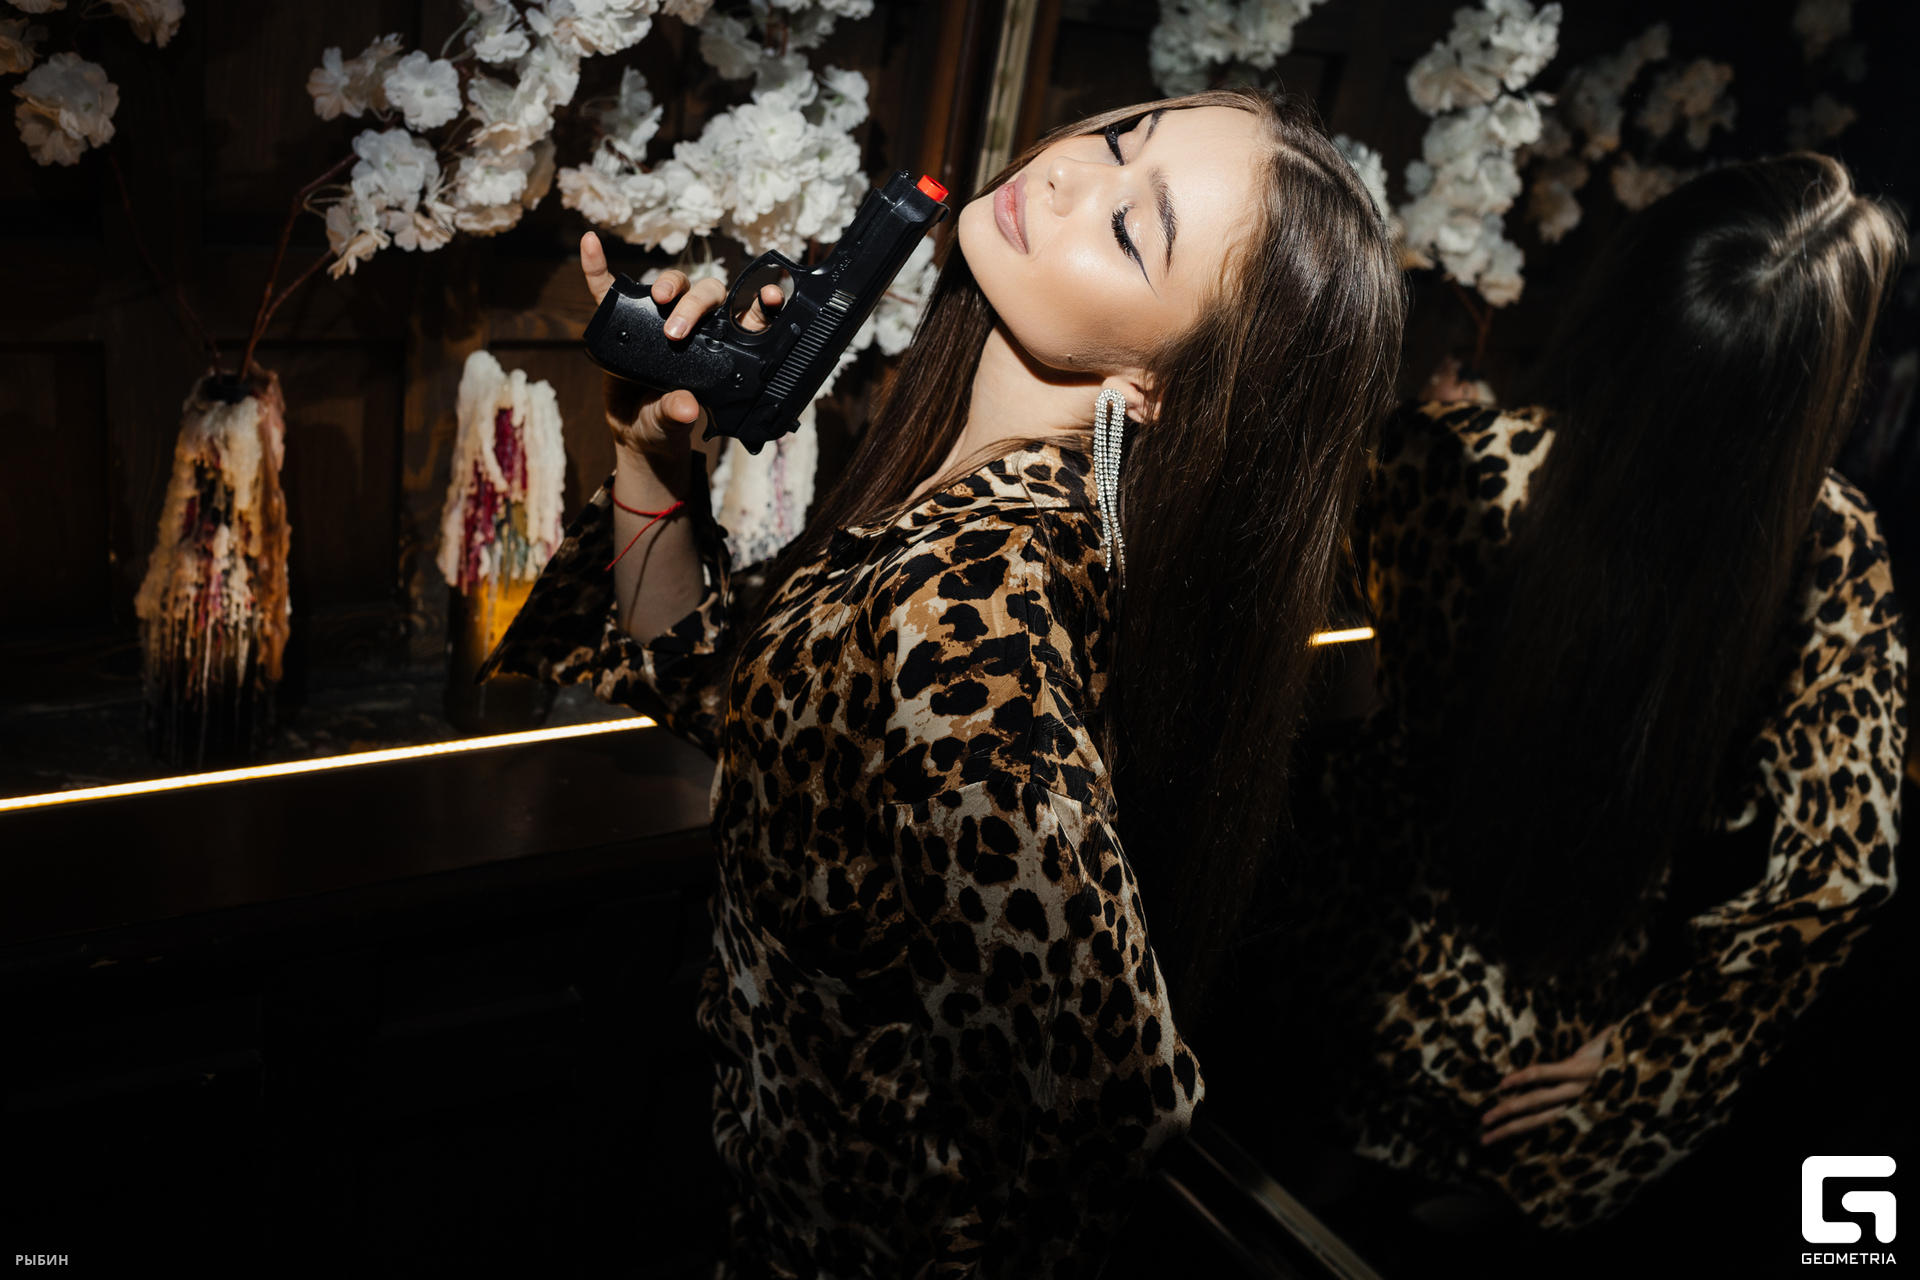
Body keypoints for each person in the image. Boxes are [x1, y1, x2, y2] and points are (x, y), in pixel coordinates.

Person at [485, 88, 1405, 1277]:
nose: (1071, 176)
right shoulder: (974, 517)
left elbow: (1114, 1099)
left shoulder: (976, 598)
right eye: (1116, 139)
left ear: (1158, 386)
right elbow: (728, 694)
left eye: (1134, 228)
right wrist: (650, 451)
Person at [1295, 152, 1906, 1230]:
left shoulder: (1438, 464)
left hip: (1345, 982)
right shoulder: (1825, 548)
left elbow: (1314, 706)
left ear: (1624, 292)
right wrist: (1655, 1060)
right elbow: (1843, 874)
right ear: (1816, 383)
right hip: (1545, 1083)